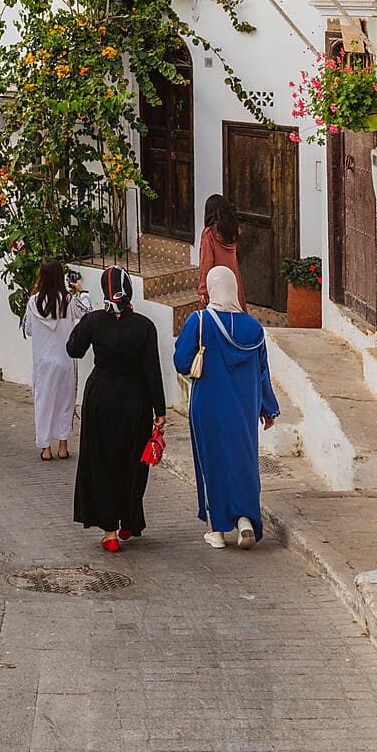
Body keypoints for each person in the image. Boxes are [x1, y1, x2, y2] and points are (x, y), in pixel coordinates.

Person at [176, 265, 280, 550]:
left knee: (211, 460)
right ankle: (245, 520)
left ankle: (217, 531)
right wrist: (268, 408)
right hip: (244, 407)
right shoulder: (254, 328)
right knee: (243, 459)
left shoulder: (199, 321)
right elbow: (262, 371)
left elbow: (181, 362)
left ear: (212, 289)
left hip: (207, 404)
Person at [68, 266, 166, 553]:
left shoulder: (94, 321)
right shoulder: (145, 326)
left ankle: (109, 532)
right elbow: (152, 370)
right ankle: (129, 520)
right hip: (135, 400)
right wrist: (160, 410)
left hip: (101, 398)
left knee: (102, 460)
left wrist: (86, 320)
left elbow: (74, 349)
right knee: (133, 461)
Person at [24, 259, 91, 461]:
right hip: (65, 361)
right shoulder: (68, 301)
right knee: (65, 404)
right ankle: (63, 447)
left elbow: (28, 329)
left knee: (43, 404)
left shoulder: (33, 302)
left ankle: (45, 448)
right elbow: (87, 312)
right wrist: (82, 291)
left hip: (43, 363)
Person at [196, 193, 246, 311]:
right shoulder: (233, 230)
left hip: (216, 279)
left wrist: (203, 290)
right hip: (232, 277)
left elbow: (206, 262)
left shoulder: (209, 233)